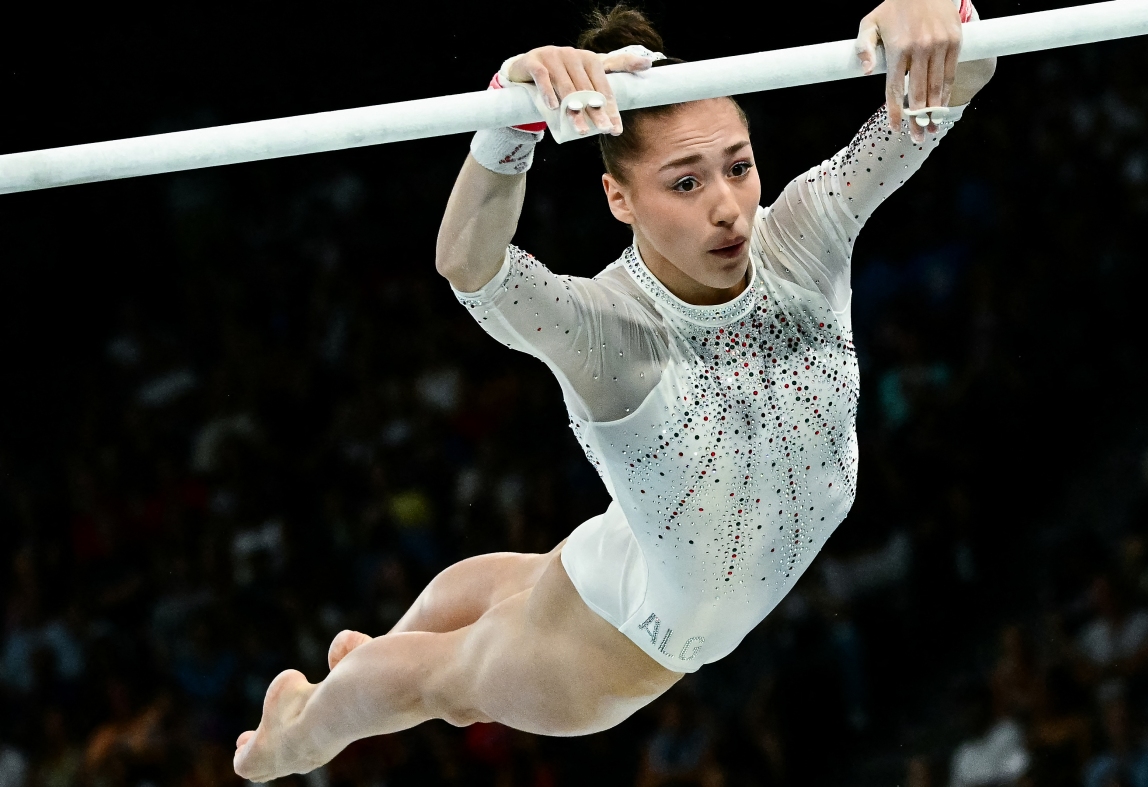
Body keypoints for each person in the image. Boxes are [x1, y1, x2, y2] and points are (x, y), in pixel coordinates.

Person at [232, 1, 996, 780]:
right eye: (685, 182)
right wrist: (511, 119)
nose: (727, 207)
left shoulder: (804, 232)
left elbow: (967, 70)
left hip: (644, 547)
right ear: (618, 198)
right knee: (442, 683)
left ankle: (366, 662)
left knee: (517, 588)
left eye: (737, 166)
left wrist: (941, 15)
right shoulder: (611, 333)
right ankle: (294, 739)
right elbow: (470, 264)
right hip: (616, 648)